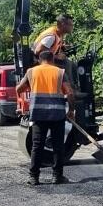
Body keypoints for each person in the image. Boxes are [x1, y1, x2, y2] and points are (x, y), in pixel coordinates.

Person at [15, 50, 75, 185]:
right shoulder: (60, 72)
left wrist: (28, 92)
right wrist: (71, 110)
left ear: (39, 60)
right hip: (57, 114)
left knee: (37, 145)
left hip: (38, 114)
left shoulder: (31, 72)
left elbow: (19, 89)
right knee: (58, 146)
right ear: (52, 59)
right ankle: (57, 176)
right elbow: (70, 93)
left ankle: (34, 177)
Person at [33, 13, 77, 87]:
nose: (72, 27)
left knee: (73, 65)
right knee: (67, 64)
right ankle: (70, 90)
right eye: (70, 25)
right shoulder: (51, 36)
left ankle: (75, 87)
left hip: (49, 60)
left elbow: (52, 46)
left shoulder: (59, 33)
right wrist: (56, 57)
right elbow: (38, 51)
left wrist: (63, 47)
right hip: (40, 61)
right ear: (63, 24)